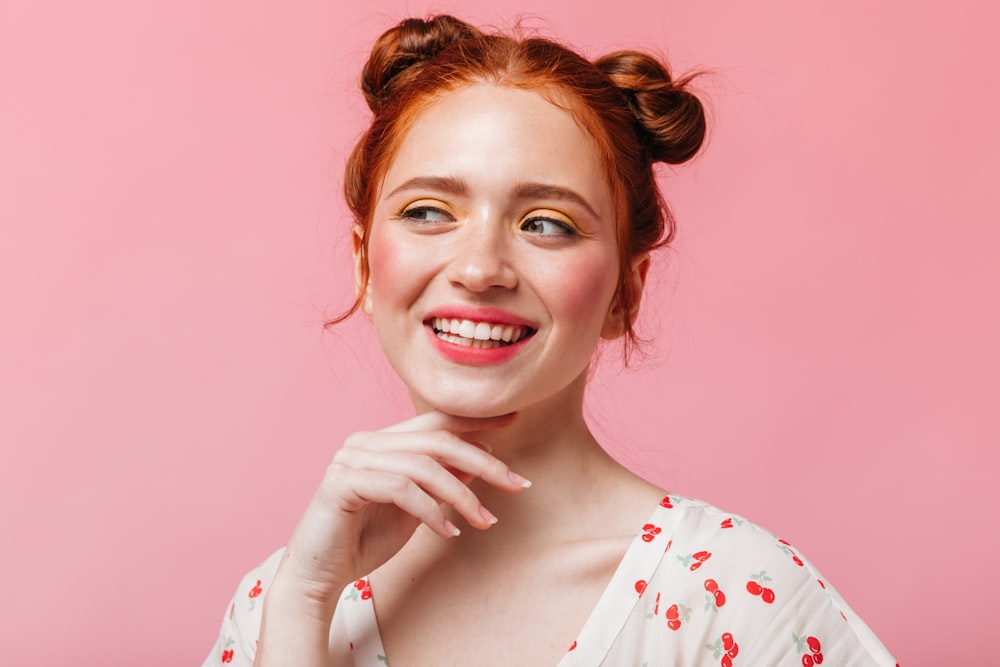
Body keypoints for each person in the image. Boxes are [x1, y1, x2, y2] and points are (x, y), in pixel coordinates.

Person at [205, 15, 896, 666]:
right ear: (363, 261)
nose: (479, 269)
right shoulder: (282, 602)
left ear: (626, 290)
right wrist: (303, 602)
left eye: (546, 223)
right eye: (427, 211)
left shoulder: (733, 599)